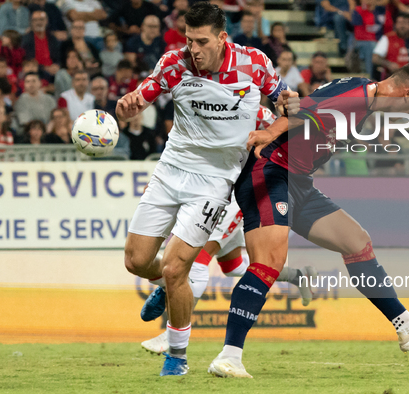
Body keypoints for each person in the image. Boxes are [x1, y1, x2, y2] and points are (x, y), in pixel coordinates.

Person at [208, 63, 409, 379]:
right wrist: (271, 131)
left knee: (357, 242)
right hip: (270, 172)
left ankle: (406, 326)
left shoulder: (365, 95)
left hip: (298, 182)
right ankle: (229, 356)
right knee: (269, 262)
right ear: (407, 93)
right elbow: (305, 109)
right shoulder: (355, 96)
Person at [117, 2, 292, 377]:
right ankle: (167, 286)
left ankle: (176, 358)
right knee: (136, 260)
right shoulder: (174, 63)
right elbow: (143, 94)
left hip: (214, 182)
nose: (193, 49)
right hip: (171, 170)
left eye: (201, 41)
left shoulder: (254, 64)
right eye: (188, 39)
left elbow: (291, 106)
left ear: (222, 38)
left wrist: (272, 129)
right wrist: (129, 104)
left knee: (178, 264)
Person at [139, 105, 318, 355]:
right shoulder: (209, 104)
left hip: (234, 193)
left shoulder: (252, 110)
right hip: (212, 187)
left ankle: (172, 336)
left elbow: (290, 129)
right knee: (232, 265)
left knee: (198, 263)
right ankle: (298, 275)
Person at [373, 13, 409, 79]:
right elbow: (375, 58)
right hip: (393, 77)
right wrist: (389, 64)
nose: (402, 26)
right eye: (399, 22)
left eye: (405, 23)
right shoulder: (387, 38)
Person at [21, 10, 61, 78]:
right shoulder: (25, 39)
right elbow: (27, 59)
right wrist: (44, 68)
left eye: (41, 19)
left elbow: (59, 57)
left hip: (54, 71)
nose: (38, 22)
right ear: (32, 22)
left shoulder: (53, 38)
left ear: (46, 21)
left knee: (62, 74)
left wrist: (57, 65)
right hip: (36, 71)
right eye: (35, 20)